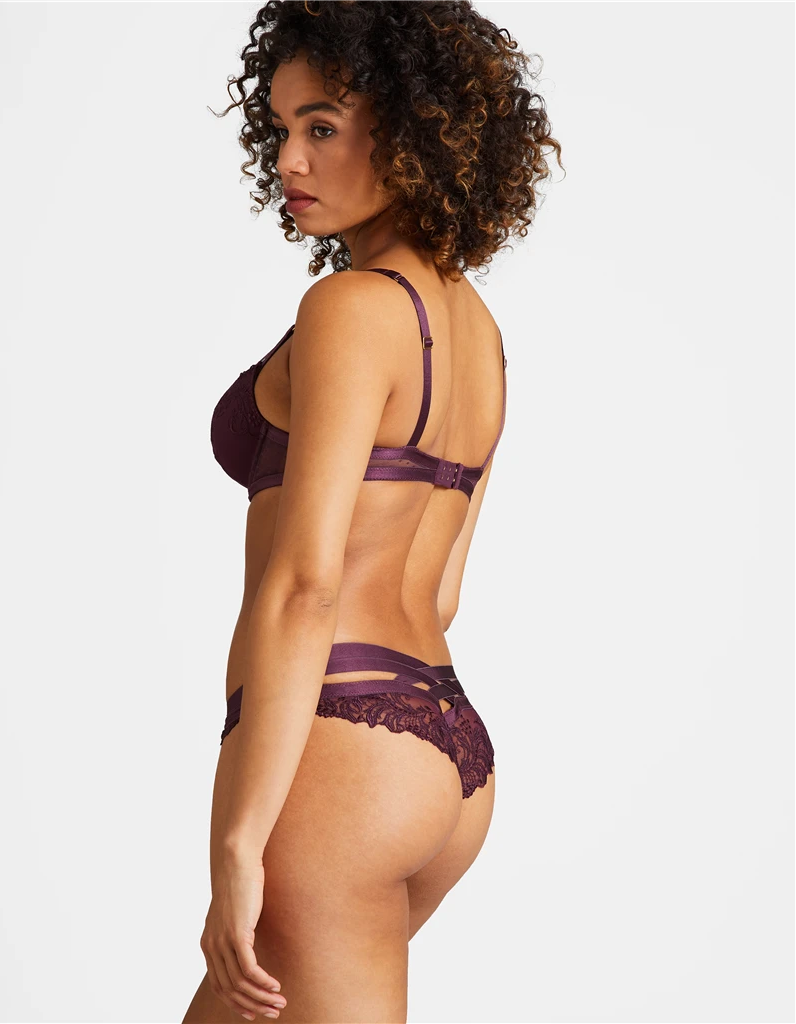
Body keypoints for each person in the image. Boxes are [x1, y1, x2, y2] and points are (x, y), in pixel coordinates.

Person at [183, 2, 561, 1020]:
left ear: (409, 129)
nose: (288, 160)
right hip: (441, 742)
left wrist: (238, 841)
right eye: (279, 128)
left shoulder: (349, 310)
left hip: (340, 752)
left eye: (321, 126)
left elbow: (306, 587)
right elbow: (441, 591)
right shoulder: (477, 332)